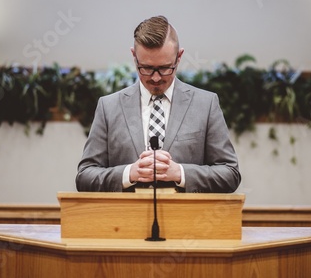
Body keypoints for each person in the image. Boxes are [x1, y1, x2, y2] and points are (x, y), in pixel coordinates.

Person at [76, 15, 241, 193]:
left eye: (164, 68)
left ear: (179, 57)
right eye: (146, 68)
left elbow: (230, 174)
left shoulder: (206, 105)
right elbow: (85, 177)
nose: (155, 78)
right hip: (123, 218)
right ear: (134, 56)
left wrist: (181, 173)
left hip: (188, 218)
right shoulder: (108, 107)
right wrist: (128, 174)